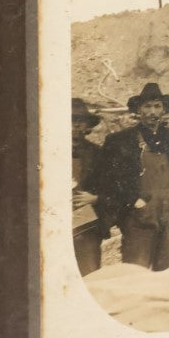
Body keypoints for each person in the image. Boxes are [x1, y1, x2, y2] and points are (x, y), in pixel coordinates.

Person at [90, 81, 169, 272]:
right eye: (147, 106)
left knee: (168, 270)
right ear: (138, 110)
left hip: (168, 216)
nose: (152, 112)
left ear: (164, 110)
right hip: (138, 217)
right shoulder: (120, 140)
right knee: (135, 272)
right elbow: (108, 179)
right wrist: (132, 200)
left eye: (157, 106)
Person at [70, 97, 105, 276]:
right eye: (70, 121)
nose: (75, 126)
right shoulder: (45, 150)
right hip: (55, 223)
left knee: (89, 274)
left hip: (88, 225)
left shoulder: (98, 153)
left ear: (87, 126)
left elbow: (110, 186)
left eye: (80, 121)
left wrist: (95, 198)